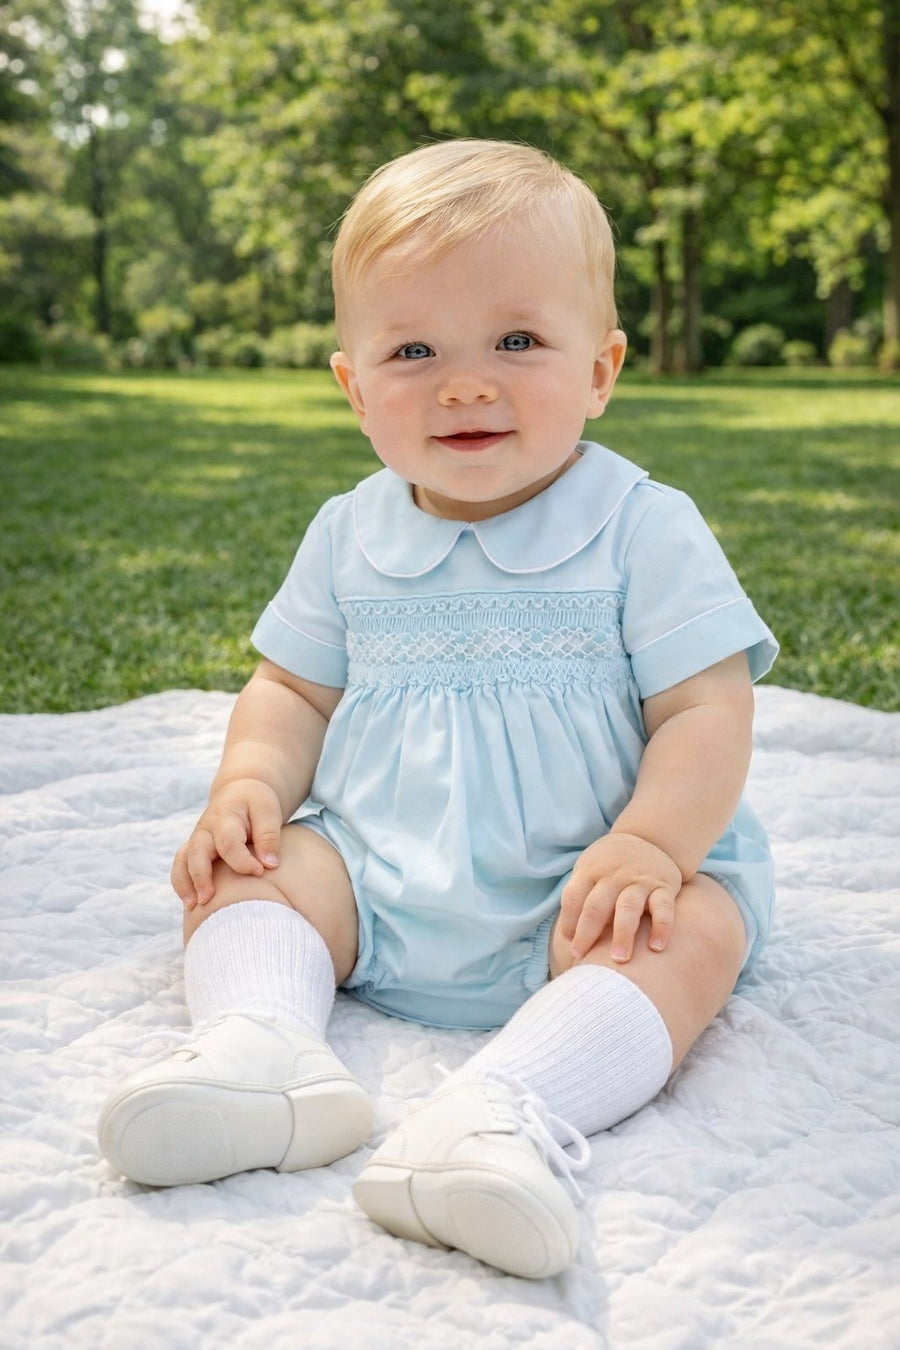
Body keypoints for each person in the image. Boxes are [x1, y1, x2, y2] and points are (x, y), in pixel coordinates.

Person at [98, 139, 777, 1280]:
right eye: (414, 350)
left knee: (693, 932)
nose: (467, 382)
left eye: (518, 341)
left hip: (590, 888)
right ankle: (262, 1051)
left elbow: (707, 707)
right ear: (355, 388)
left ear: (602, 369)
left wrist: (654, 844)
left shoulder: (641, 525)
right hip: (375, 870)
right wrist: (251, 788)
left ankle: (507, 1110)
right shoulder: (349, 532)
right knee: (248, 874)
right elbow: (291, 687)